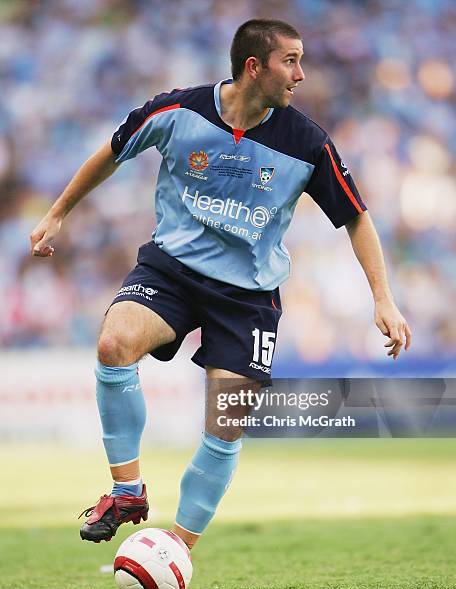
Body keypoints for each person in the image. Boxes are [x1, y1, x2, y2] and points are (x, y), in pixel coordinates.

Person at [30, 19, 412, 550]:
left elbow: (356, 216)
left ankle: (176, 552)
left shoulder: (306, 142)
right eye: (291, 61)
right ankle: (127, 490)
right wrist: (57, 213)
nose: (301, 74)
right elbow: (112, 151)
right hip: (172, 271)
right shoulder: (178, 110)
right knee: (114, 343)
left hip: (248, 296)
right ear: (254, 67)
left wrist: (383, 299)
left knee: (224, 424)